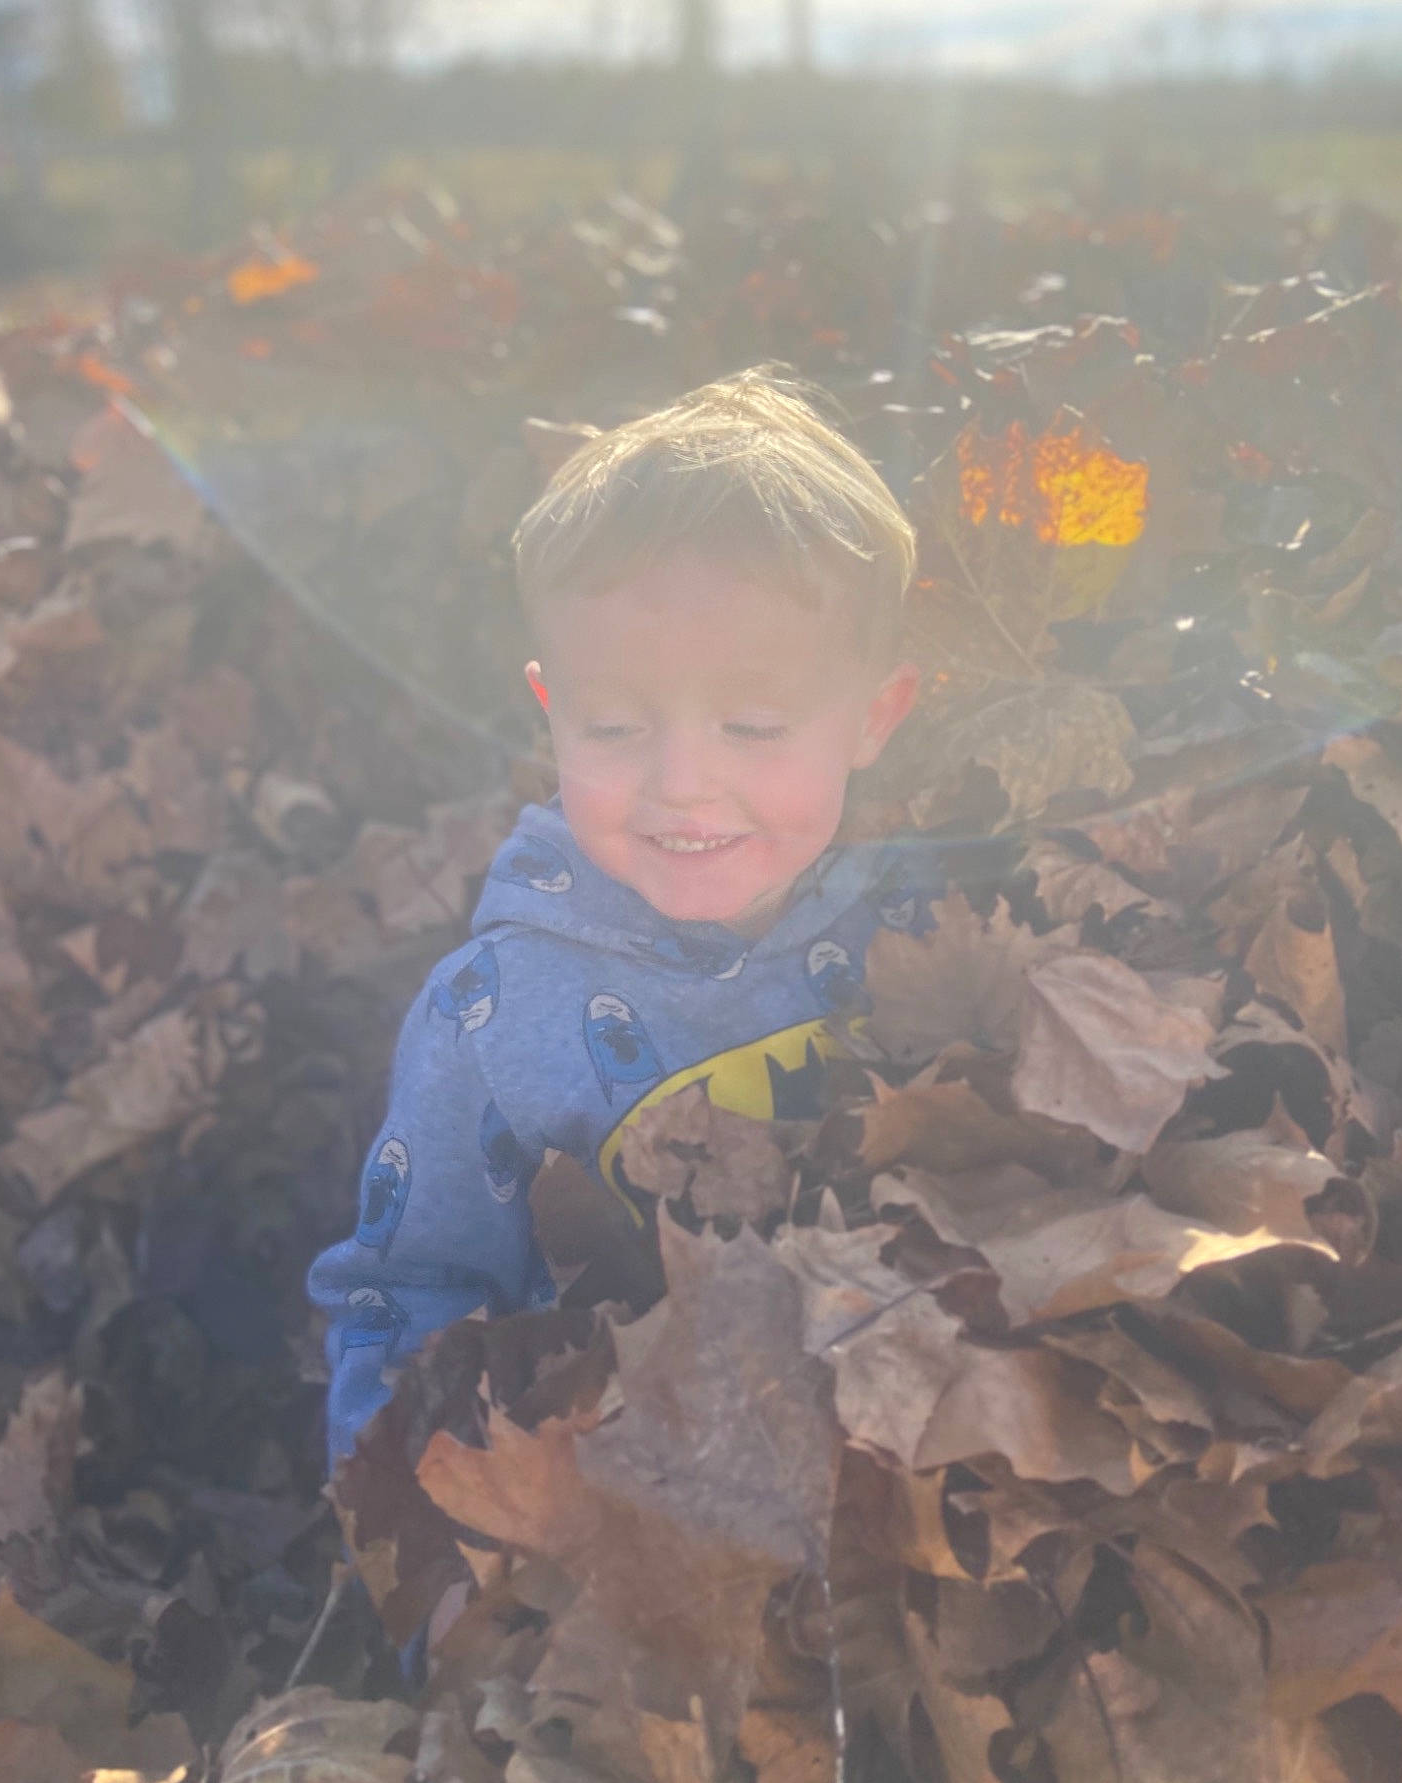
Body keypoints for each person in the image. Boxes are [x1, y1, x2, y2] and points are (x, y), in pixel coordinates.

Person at [308, 368, 936, 1470]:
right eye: (613, 727)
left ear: (874, 715)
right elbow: (408, 1288)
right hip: (621, 1512)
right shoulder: (492, 1018)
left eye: (752, 723)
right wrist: (428, 1550)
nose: (682, 782)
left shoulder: (927, 928)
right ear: (549, 708)